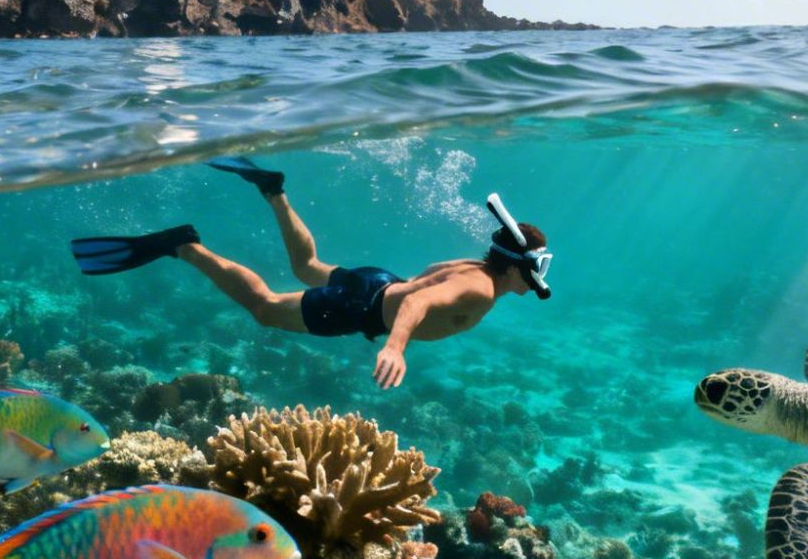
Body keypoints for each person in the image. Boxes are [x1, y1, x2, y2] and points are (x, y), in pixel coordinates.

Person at [70, 158, 551, 388]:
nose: (541, 276)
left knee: (307, 266)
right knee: (263, 309)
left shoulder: (472, 265)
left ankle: (274, 191)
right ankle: (185, 247)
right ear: (521, 266)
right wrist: (394, 345)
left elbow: (421, 282)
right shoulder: (481, 290)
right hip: (363, 308)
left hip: (376, 281)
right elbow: (418, 302)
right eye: (540, 264)